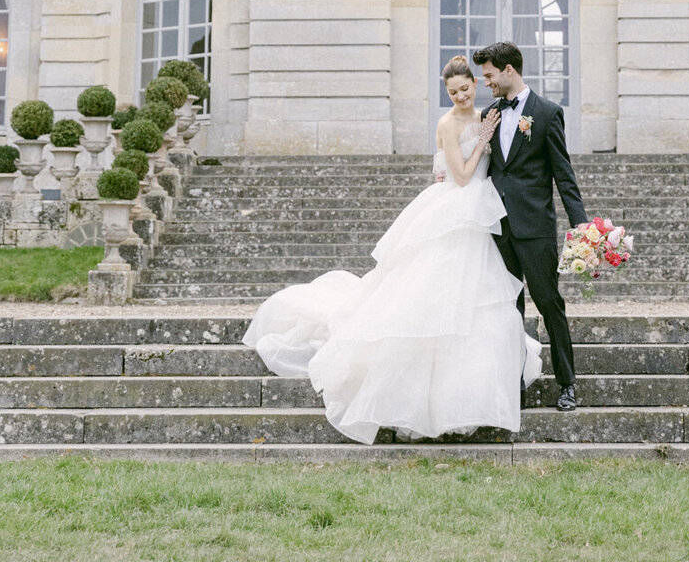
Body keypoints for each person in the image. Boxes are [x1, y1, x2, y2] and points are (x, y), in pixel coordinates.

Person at [241, 56, 541, 444]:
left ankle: (474, 392)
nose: (461, 96)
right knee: (434, 298)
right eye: (453, 92)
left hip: (482, 216)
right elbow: (463, 177)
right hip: (458, 208)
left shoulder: (489, 113)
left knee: (478, 302)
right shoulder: (448, 124)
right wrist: (481, 141)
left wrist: (487, 139)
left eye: (466, 88)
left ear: (475, 85)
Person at [473, 40, 588, 411]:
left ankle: (567, 384)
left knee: (550, 304)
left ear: (509, 71)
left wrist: (582, 227)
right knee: (508, 311)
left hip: (535, 229)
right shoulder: (488, 114)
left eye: (489, 75)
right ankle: (514, 385)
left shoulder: (548, 113)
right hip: (498, 229)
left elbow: (564, 177)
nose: (486, 83)